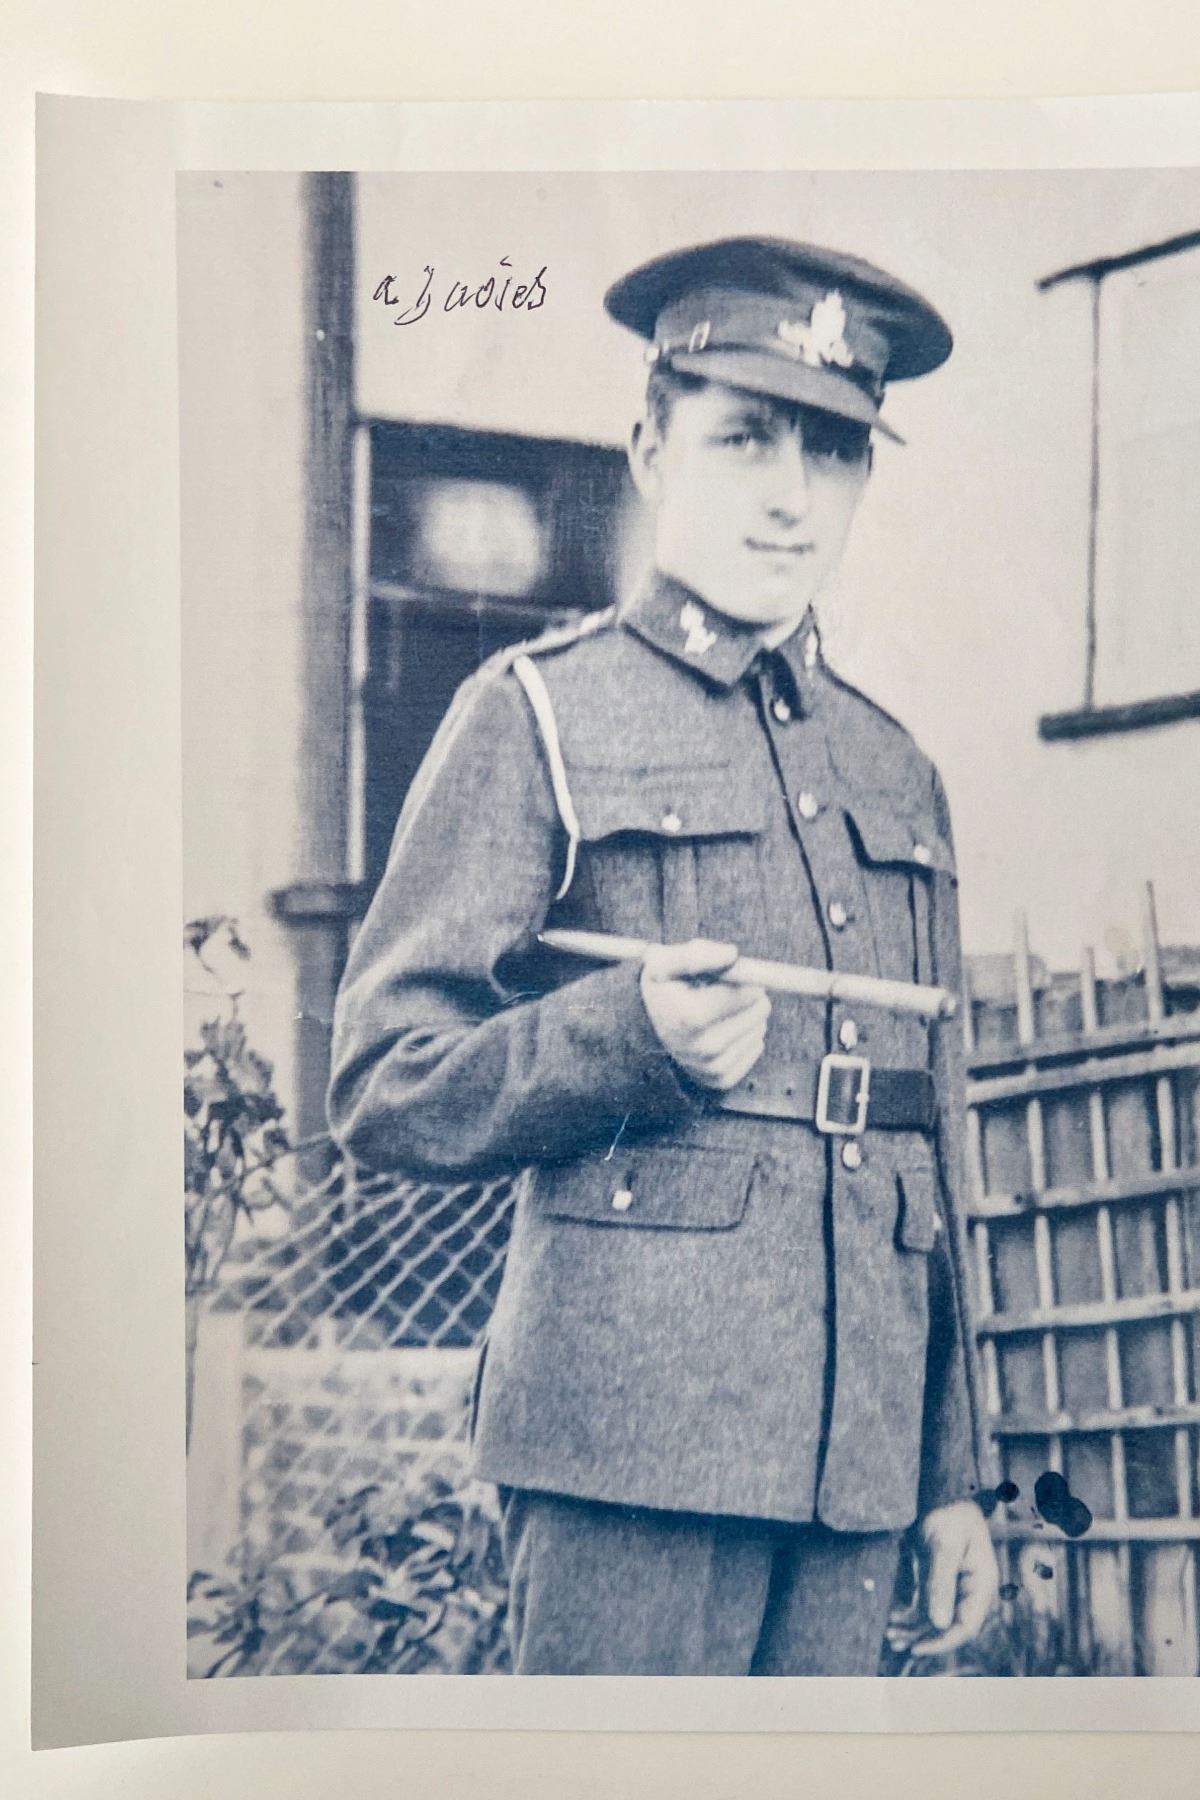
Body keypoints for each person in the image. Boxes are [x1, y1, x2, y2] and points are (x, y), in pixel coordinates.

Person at [327, 235, 998, 1676]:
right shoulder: (536, 714)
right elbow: (384, 1080)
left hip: (857, 1460)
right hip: (627, 1447)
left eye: (834, 449)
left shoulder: (898, 770)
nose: (791, 493)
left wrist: (954, 1474)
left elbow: (934, 1142)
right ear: (650, 447)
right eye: (746, 436)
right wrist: (622, 1038)